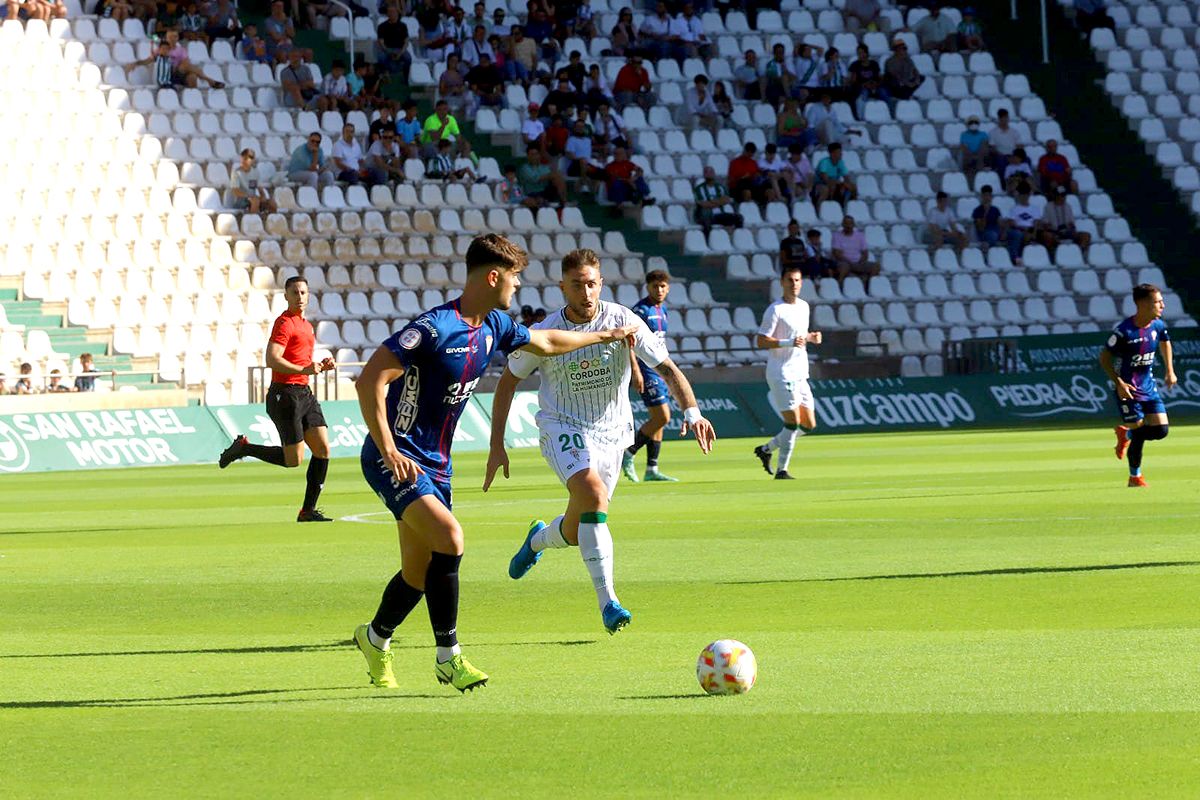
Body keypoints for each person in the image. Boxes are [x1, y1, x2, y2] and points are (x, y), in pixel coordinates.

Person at [351, 235, 638, 690]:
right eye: (515, 277)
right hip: (397, 457)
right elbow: (370, 380)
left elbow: (545, 340)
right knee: (451, 538)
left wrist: (604, 334)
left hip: (436, 464)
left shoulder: (497, 325)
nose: (518, 285)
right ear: (493, 276)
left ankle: (374, 638)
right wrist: (388, 448)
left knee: (416, 573)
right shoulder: (433, 328)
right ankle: (449, 658)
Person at [485, 250, 715, 633]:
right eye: (576, 285)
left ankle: (538, 541)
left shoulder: (624, 320)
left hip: (613, 433)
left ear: (601, 284)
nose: (586, 292)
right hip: (562, 426)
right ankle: (609, 602)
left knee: (579, 528)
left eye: (591, 283)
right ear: (563, 287)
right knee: (591, 495)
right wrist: (497, 444)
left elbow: (667, 368)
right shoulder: (544, 332)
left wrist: (693, 413)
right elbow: (508, 380)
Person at [218, 276, 336, 522]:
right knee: (293, 461)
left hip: (304, 393)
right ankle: (244, 448)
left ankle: (307, 511)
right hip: (285, 395)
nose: (300, 297)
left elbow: (301, 360)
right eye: (295, 293)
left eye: (303, 292)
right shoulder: (284, 323)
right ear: (286, 296)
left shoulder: (306, 325)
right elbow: (272, 359)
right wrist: (304, 370)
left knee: (323, 449)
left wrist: (321, 366)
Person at [619, 269, 692, 484]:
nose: (659, 290)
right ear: (647, 287)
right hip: (646, 369)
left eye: (662, 286)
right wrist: (636, 370)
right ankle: (629, 453)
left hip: (659, 370)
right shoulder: (640, 311)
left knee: (658, 420)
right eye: (655, 286)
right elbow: (627, 342)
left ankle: (652, 468)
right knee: (663, 417)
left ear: (668, 288)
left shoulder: (663, 310)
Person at [1102, 284, 1176, 487]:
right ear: (1143, 304)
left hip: (1149, 387)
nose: (1162, 305)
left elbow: (1165, 342)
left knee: (1161, 431)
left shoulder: (1158, 325)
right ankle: (1135, 477)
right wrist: (1118, 383)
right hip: (1128, 390)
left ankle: (1125, 433)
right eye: (1157, 302)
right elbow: (1104, 358)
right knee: (1140, 434)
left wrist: (1170, 370)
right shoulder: (1124, 331)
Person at [753, 266, 822, 480]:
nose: (794, 284)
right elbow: (761, 340)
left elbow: (799, 336)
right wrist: (787, 342)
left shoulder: (804, 307)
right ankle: (782, 470)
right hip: (781, 372)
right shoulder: (776, 309)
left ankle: (766, 449)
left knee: (809, 424)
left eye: (797, 280)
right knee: (792, 423)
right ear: (782, 282)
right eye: (790, 280)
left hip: (800, 372)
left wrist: (811, 337)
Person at [1038, 185, 1091, 253]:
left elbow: (1072, 223)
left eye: (1064, 195)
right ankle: (1058, 253)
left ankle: (1078, 252)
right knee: (1047, 235)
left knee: (1086, 235)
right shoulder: (1048, 206)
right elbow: (1045, 224)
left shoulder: (1068, 206)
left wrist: (1069, 227)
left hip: (1067, 232)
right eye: (1061, 195)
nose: (1063, 197)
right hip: (1055, 232)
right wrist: (1054, 228)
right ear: (1056, 196)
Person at [693, 166, 743, 233]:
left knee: (739, 218)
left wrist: (711, 202)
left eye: (711, 172)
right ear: (704, 175)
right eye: (706, 172)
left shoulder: (720, 187)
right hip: (706, 216)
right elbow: (703, 204)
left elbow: (726, 200)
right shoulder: (699, 188)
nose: (709, 174)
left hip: (719, 215)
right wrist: (719, 201)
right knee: (706, 218)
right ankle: (708, 241)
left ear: (714, 174)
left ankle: (737, 238)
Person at [831, 215, 879, 283]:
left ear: (853, 225)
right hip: (845, 262)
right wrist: (850, 262)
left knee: (876, 266)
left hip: (858, 262)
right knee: (844, 267)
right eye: (846, 223)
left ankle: (870, 285)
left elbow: (865, 253)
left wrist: (861, 261)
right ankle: (839, 285)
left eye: (850, 223)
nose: (848, 226)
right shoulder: (837, 235)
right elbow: (837, 254)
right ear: (842, 224)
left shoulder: (860, 235)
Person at [228, 148, 277, 213]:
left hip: (252, 198)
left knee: (271, 203)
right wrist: (249, 196)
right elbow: (236, 191)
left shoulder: (255, 172)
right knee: (255, 201)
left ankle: (269, 221)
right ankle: (252, 221)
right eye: (249, 157)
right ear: (243, 158)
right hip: (241, 200)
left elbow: (259, 188)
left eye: (252, 157)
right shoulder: (236, 173)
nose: (251, 159)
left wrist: (263, 196)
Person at [1001, 182, 1038, 265]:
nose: (1025, 196)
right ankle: (1015, 258)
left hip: (1030, 230)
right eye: (1022, 194)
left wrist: (1033, 234)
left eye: (1026, 194)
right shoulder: (1014, 209)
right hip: (1018, 230)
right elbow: (1012, 223)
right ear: (1019, 195)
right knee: (1017, 234)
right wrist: (1024, 229)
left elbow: (1036, 223)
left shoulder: (1034, 209)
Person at [848, 44, 888, 120]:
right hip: (862, 87)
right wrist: (864, 84)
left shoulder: (874, 64)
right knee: (863, 95)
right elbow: (853, 81)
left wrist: (875, 84)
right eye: (859, 53)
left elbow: (880, 78)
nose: (860, 55)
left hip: (875, 86)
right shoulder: (855, 65)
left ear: (867, 53)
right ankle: (861, 117)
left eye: (862, 53)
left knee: (884, 93)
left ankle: (889, 114)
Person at [989, 109, 1021, 175]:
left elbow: (1020, 145)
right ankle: (1003, 183)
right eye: (1002, 118)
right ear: (999, 119)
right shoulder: (993, 132)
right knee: (1001, 161)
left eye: (1006, 117)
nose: (1004, 120)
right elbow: (992, 148)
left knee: (1027, 159)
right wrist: (1005, 156)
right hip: (1001, 156)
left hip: (1013, 155)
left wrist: (1015, 156)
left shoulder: (1014, 132)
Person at [959, 115, 990, 185]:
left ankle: (980, 183)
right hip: (968, 156)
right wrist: (972, 155)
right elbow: (964, 147)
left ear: (978, 124)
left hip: (980, 156)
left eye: (975, 122)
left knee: (981, 157)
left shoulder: (983, 134)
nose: (973, 124)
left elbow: (984, 146)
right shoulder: (964, 135)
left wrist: (977, 155)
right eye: (971, 122)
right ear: (968, 125)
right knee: (967, 158)